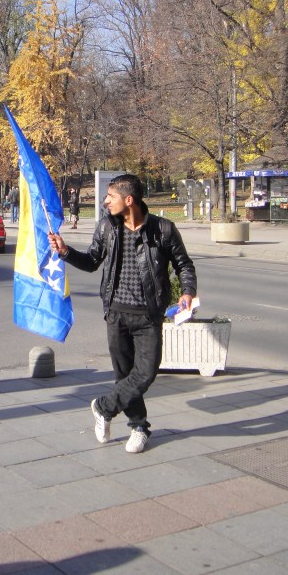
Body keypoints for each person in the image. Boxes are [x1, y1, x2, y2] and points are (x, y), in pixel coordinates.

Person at [48, 173, 197, 454]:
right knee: (124, 374)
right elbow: (93, 262)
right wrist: (66, 252)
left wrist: (187, 290)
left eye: (110, 197)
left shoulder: (163, 230)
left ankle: (103, 408)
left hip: (148, 315)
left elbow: (184, 265)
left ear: (129, 200)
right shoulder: (107, 228)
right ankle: (139, 428)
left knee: (147, 372)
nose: (105, 201)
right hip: (116, 312)